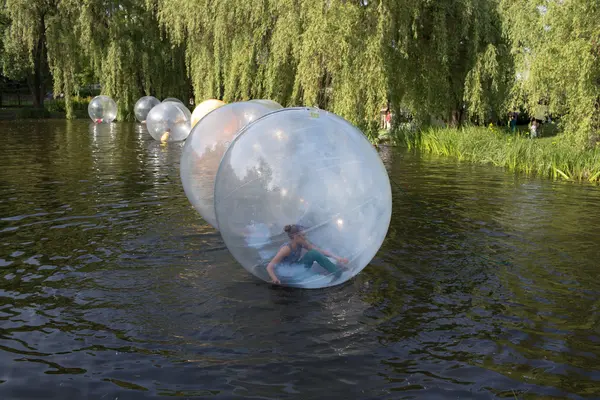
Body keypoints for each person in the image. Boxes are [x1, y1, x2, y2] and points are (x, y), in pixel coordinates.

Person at [266, 224, 349, 285]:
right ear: (295, 236)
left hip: (296, 268)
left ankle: (337, 272)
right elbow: (269, 266)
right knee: (314, 256)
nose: (305, 237)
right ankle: (338, 273)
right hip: (285, 275)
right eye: (303, 235)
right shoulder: (286, 249)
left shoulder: (301, 244)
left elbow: (320, 251)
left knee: (313, 253)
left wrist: (338, 258)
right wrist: (275, 279)